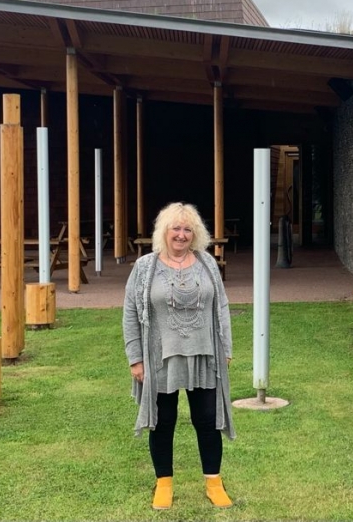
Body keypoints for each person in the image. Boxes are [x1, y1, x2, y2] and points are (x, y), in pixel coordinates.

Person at [123, 202, 235, 510]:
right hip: (161, 359)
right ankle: (164, 484)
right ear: (164, 232)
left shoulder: (207, 263)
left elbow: (221, 307)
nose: (181, 235)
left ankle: (214, 483)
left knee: (208, 420)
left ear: (195, 234)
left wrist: (226, 349)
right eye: (176, 228)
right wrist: (136, 358)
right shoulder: (145, 267)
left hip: (204, 356)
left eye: (188, 229)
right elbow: (130, 313)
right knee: (162, 421)